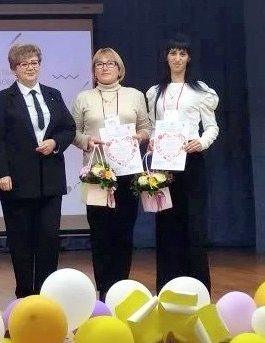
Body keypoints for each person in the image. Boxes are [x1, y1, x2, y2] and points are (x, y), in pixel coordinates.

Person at [0, 44, 75, 298]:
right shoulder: (3, 98)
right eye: (24, 64)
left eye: (34, 62)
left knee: (49, 239)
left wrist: (55, 142)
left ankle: (47, 294)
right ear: (14, 69)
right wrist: (1, 173)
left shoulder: (53, 94)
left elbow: (68, 128)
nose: (30, 67)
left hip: (50, 180)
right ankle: (25, 296)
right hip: (16, 181)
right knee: (21, 242)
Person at [71, 48, 150, 301]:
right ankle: (104, 289)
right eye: (99, 64)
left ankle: (120, 287)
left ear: (119, 69)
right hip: (97, 174)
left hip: (128, 172)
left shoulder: (135, 95)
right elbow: (72, 132)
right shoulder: (84, 97)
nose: (104, 67)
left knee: (124, 232)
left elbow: (146, 127)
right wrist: (87, 141)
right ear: (94, 71)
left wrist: (140, 137)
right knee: (100, 233)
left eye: (110, 63)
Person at [146, 34, 219, 292]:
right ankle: (167, 287)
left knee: (193, 223)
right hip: (164, 163)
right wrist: (152, 141)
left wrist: (202, 142)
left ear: (189, 58)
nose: (177, 58)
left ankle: (198, 288)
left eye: (182, 54)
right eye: (173, 53)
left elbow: (211, 127)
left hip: (191, 161)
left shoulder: (200, 91)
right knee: (166, 224)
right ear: (166, 57)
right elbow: (153, 126)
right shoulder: (155, 92)